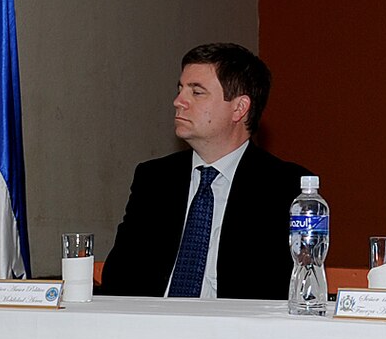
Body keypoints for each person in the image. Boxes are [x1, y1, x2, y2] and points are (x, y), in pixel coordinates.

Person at [98, 43, 310, 300]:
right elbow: (119, 279)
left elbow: (280, 288)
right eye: (180, 89)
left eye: (196, 92)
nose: (178, 102)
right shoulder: (155, 179)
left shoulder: (284, 186)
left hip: (235, 332)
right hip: (151, 328)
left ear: (239, 108)